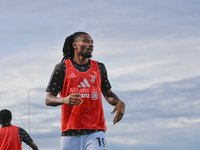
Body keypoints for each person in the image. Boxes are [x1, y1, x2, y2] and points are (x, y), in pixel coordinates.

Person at [45, 31, 125, 150]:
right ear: (74, 45)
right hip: (70, 133)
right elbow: (48, 99)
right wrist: (64, 99)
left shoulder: (99, 68)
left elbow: (108, 94)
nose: (91, 45)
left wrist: (119, 102)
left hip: (95, 131)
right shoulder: (62, 68)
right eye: (86, 41)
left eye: (92, 42)